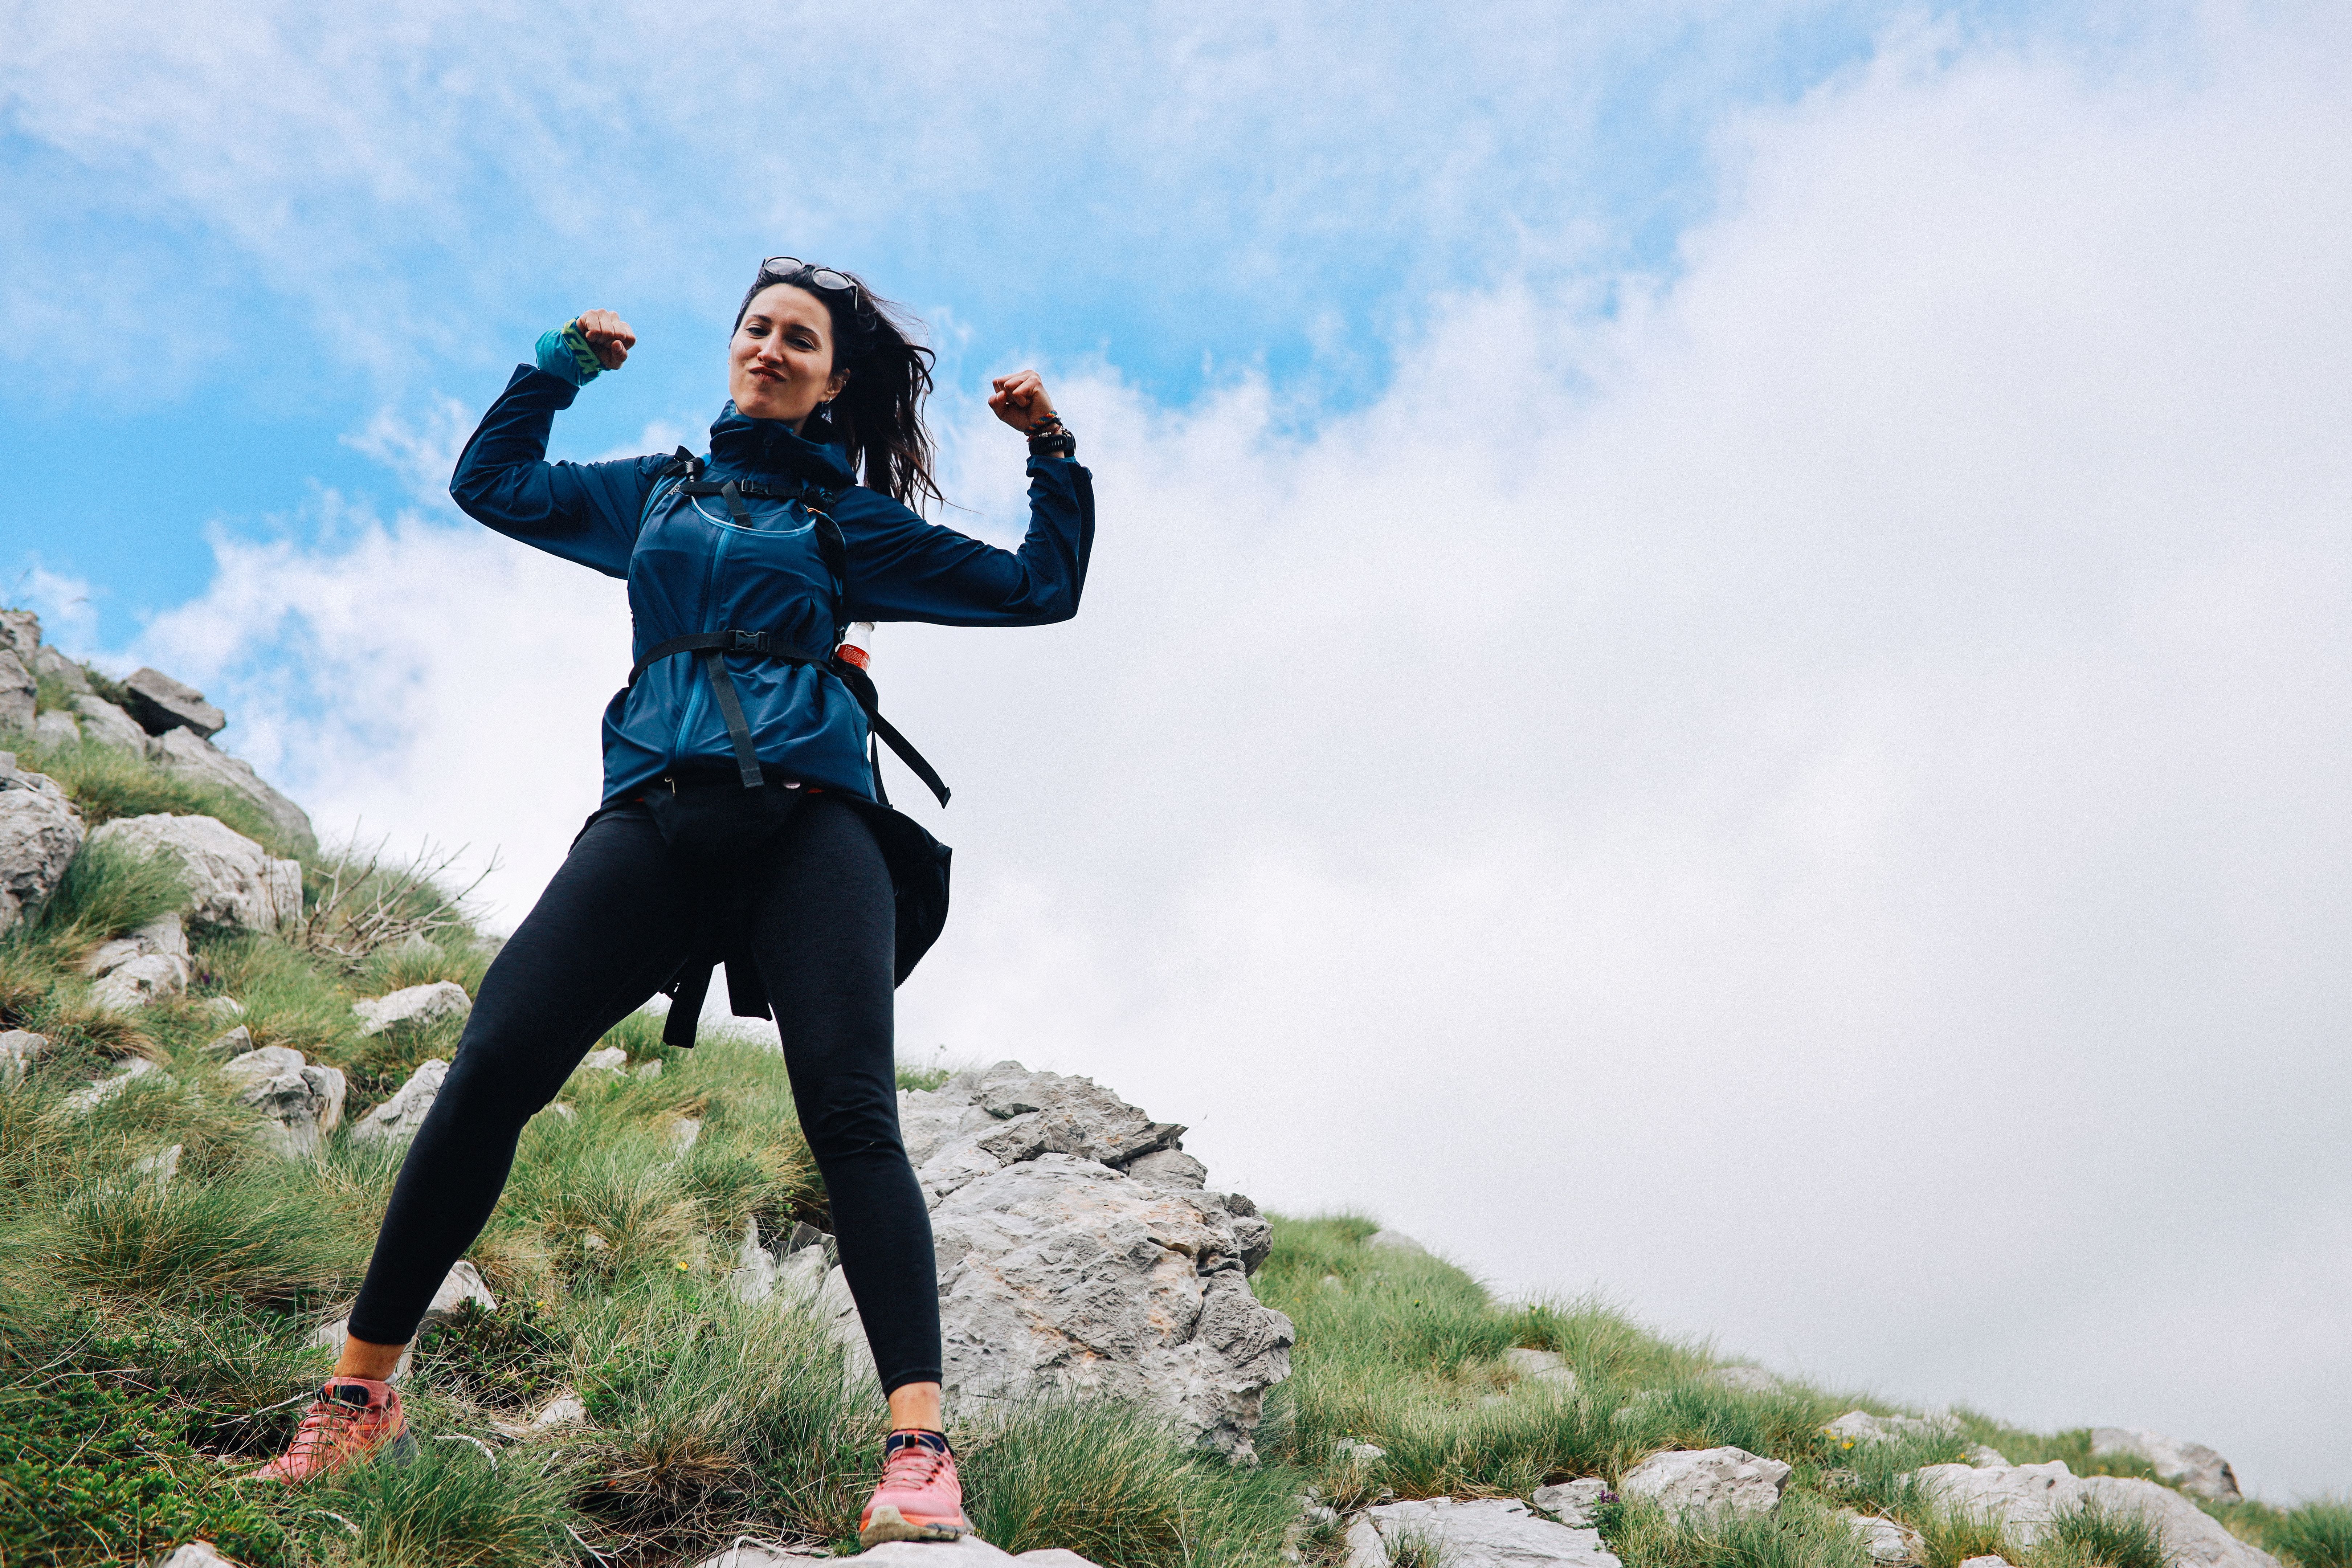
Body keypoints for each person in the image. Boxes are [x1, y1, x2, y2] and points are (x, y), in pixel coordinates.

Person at [250, 258, 1094, 1548]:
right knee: (491, 1067)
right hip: (653, 814)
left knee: (853, 1116)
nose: (768, 349)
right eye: (756, 329)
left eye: (798, 341)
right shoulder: (656, 493)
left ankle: (920, 1451)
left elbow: (1043, 588)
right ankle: (358, 1402)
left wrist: (1050, 449)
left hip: (815, 830)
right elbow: (492, 486)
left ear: (833, 382)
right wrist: (556, 368)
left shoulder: (851, 526)